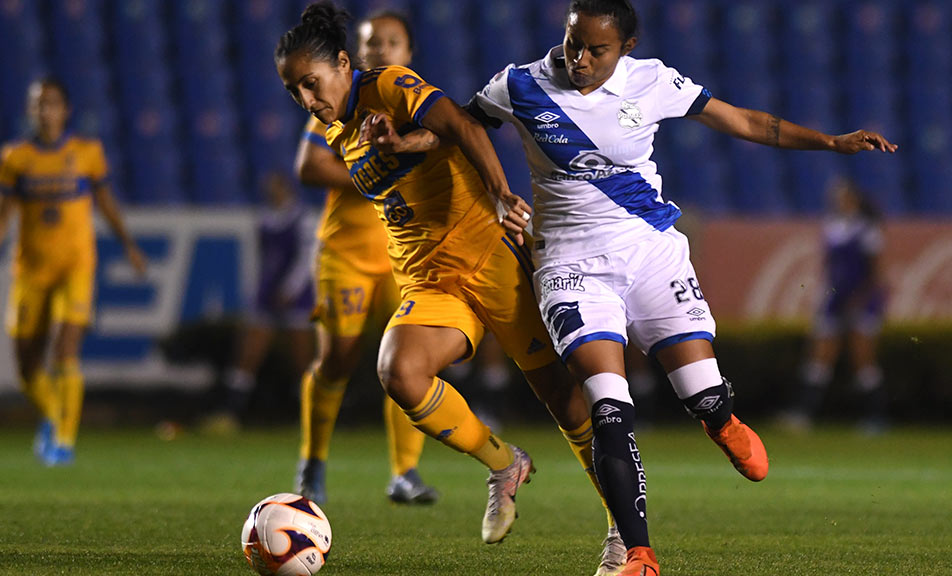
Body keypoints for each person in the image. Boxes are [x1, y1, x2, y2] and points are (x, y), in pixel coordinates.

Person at [389, 1, 893, 573]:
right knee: (608, 406)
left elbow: (746, 122)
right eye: (572, 43)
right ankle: (638, 553)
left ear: (624, 48)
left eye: (596, 50)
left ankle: (719, 419)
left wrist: (831, 143)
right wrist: (413, 143)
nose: (578, 59)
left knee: (701, 392)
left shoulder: (652, 81)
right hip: (569, 264)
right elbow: (462, 125)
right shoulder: (520, 83)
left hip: (652, 253)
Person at [276, 4, 624, 571]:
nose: (308, 99)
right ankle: (503, 463)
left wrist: (497, 192)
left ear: (343, 63)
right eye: (295, 91)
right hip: (428, 278)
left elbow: (460, 126)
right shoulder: (337, 133)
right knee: (399, 371)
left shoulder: (389, 84)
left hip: (488, 256)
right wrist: (397, 147)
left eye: (311, 83)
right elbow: (405, 153)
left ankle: (621, 533)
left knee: (564, 398)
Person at [292, 10, 441, 506]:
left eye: (392, 42)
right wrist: (370, 174)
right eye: (371, 43)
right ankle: (312, 461)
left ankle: (406, 472)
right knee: (337, 359)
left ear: (410, 53)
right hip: (348, 253)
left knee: (409, 360)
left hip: (406, 255)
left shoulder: (416, 104)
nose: (380, 50)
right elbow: (309, 166)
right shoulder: (338, 104)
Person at [0, 77, 147, 466]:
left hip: (75, 268)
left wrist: (129, 245)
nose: (44, 111)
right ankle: (52, 415)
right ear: (30, 112)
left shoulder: (86, 153)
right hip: (30, 271)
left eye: (51, 103)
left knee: (65, 352)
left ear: (65, 110)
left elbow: (106, 202)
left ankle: (63, 442)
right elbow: (4, 215)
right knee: (27, 365)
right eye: (37, 104)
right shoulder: (14, 158)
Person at [200, 172, 316, 435]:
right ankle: (230, 413)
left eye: (274, 186)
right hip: (267, 295)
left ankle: (312, 418)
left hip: (296, 297)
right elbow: (263, 260)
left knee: (301, 360)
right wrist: (258, 289)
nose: (270, 191)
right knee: (247, 355)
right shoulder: (264, 220)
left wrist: (290, 289)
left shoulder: (302, 218)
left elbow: (306, 259)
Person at [782, 178, 888, 433]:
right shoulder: (832, 227)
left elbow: (875, 271)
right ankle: (802, 414)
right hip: (835, 299)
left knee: (863, 360)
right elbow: (831, 268)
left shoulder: (868, 229)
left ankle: (876, 418)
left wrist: (860, 300)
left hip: (862, 300)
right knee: (819, 359)